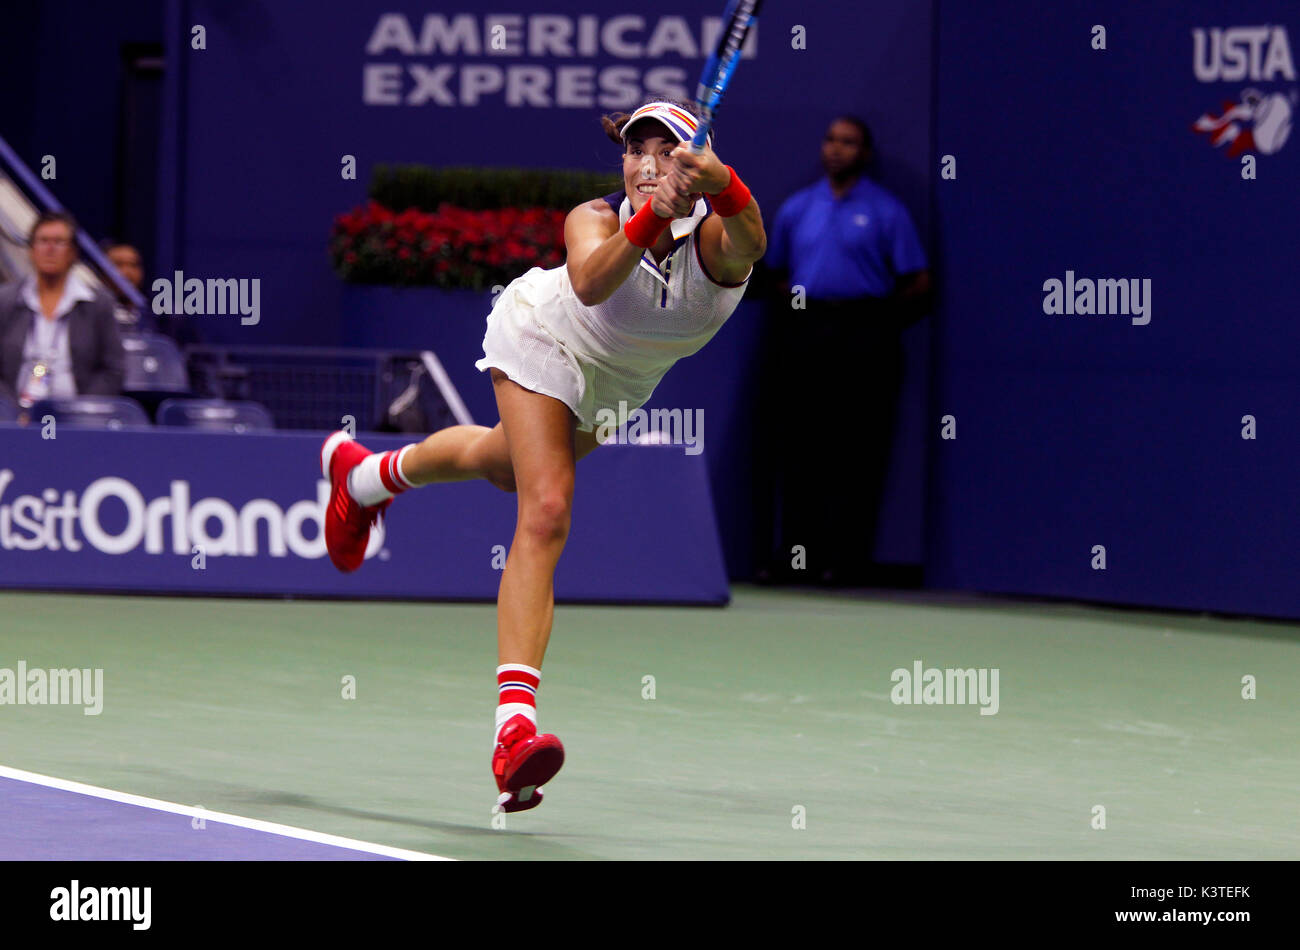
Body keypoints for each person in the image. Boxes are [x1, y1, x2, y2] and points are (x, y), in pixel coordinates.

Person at [315, 98, 765, 814]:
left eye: (664, 150)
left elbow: (752, 238)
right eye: (633, 150)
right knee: (545, 507)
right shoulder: (592, 217)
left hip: (622, 383)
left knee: (500, 463)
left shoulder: (718, 241)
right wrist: (652, 214)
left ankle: (365, 477)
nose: (645, 164)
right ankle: (512, 733)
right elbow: (588, 281)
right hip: (545, 334)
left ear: (692, 162)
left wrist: (725, 183)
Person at [760, 116, 931, 586]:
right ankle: (796, 559)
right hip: (805, 333)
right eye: (831, 140)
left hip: (864, 338)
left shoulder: (886, 210)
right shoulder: (798, 208)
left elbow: (918, 280)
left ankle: (845, 561)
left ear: (865, 153)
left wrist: (873, 322)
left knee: (855, 451)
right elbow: (775, 272)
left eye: (848, 142)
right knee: (799, 447)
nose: (836, 149)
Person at [0, 212, 124, 407]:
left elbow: (113, 370)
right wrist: (10, 409)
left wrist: (82, 410)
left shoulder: (98, 304)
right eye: (43, 241)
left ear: (73, 253)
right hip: (12, 417)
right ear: (31, 250)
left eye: (59, 242)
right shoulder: (5, 301)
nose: (50, 249)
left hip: (79, 421)